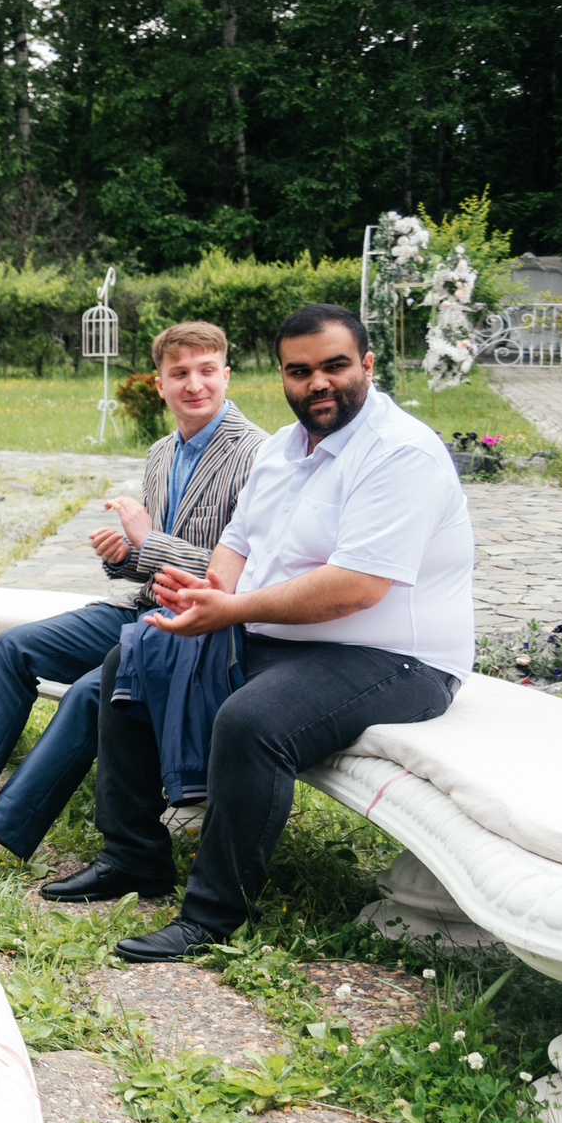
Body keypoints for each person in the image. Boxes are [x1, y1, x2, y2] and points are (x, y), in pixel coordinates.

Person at [65, 303, 475, 961]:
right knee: (135, 655)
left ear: (367, 365)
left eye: (335, 365)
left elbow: (354, 588)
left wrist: (232, 609)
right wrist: (208, 593)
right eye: (300, 370)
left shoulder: (400, 453)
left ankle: (211, 914)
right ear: (281, 376)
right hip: (286, 638)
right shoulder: (284, 450)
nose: (319, 382)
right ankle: (134, 855)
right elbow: (237, 539)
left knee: (252, 719)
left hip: (398, 659)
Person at [0, 322, 263, 870]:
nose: (194, 384)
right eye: (179, 374)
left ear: (226, 374)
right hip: (141, 607)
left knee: (87, 689)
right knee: (14, 647)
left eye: (206, 371)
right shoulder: (161, 453)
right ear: (160, 384)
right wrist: (124, 555)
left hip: (197, 626)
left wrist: (147, 539)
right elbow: (147, 561)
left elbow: (234, 577)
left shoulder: (257, 456)